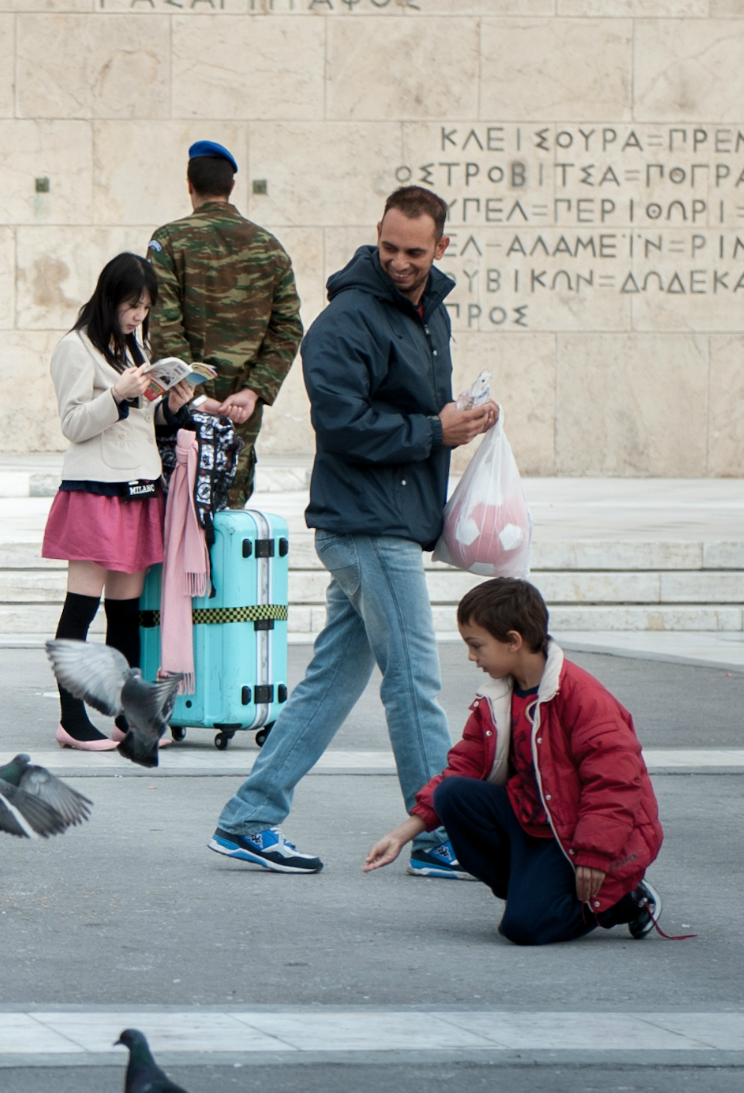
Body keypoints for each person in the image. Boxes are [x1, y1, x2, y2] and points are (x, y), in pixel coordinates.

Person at [208, 186, 499, 875]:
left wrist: (455, 418)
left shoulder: (431, 316)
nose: (398, 261)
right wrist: (434, 430)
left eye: (414, 251)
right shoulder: (344, 321)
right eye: (388, 247)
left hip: (387, 519)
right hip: (366, 525)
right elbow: (339, 424)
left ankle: (247, 818)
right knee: (413, 683)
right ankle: (436, 837)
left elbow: (412, 412)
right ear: (376, 234)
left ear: (441, 247)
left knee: (329, 684)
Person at [365, 579, 668, 944]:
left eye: (477, 646)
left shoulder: (585, 699)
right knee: (453, 794)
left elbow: (615, 784)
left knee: (522, 929)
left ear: (513, 640)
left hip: (578, 836)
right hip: (532, 822)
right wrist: (400, 836)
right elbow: (463, 766)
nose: (471, 657)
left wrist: (594, 855)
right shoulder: (499, 694)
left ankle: (625, 900)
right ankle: (538, 891)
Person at [43, 252, 200, 749]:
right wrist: (116, 395)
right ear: (110, 298)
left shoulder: (136, 347)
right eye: (133, 306)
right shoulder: (76, 347)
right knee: (81, 607)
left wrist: (172, 403)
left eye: (145, 308)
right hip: (95, 491)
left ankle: (126, 716)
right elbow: (72, 424)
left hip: (138, 486)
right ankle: (71, 719)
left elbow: (140, 423)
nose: (138, 316)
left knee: (126, 613)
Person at [145, 140, 304, 509]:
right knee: (228, 513)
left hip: (182, 410)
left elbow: (163, 323)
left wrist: (194, 396)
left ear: (190, 186)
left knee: (177, 515)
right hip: (239, 412)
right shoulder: (270, 247)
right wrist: (252, 392)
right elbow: (288, 329)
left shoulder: (168, 241)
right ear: (232, 187)